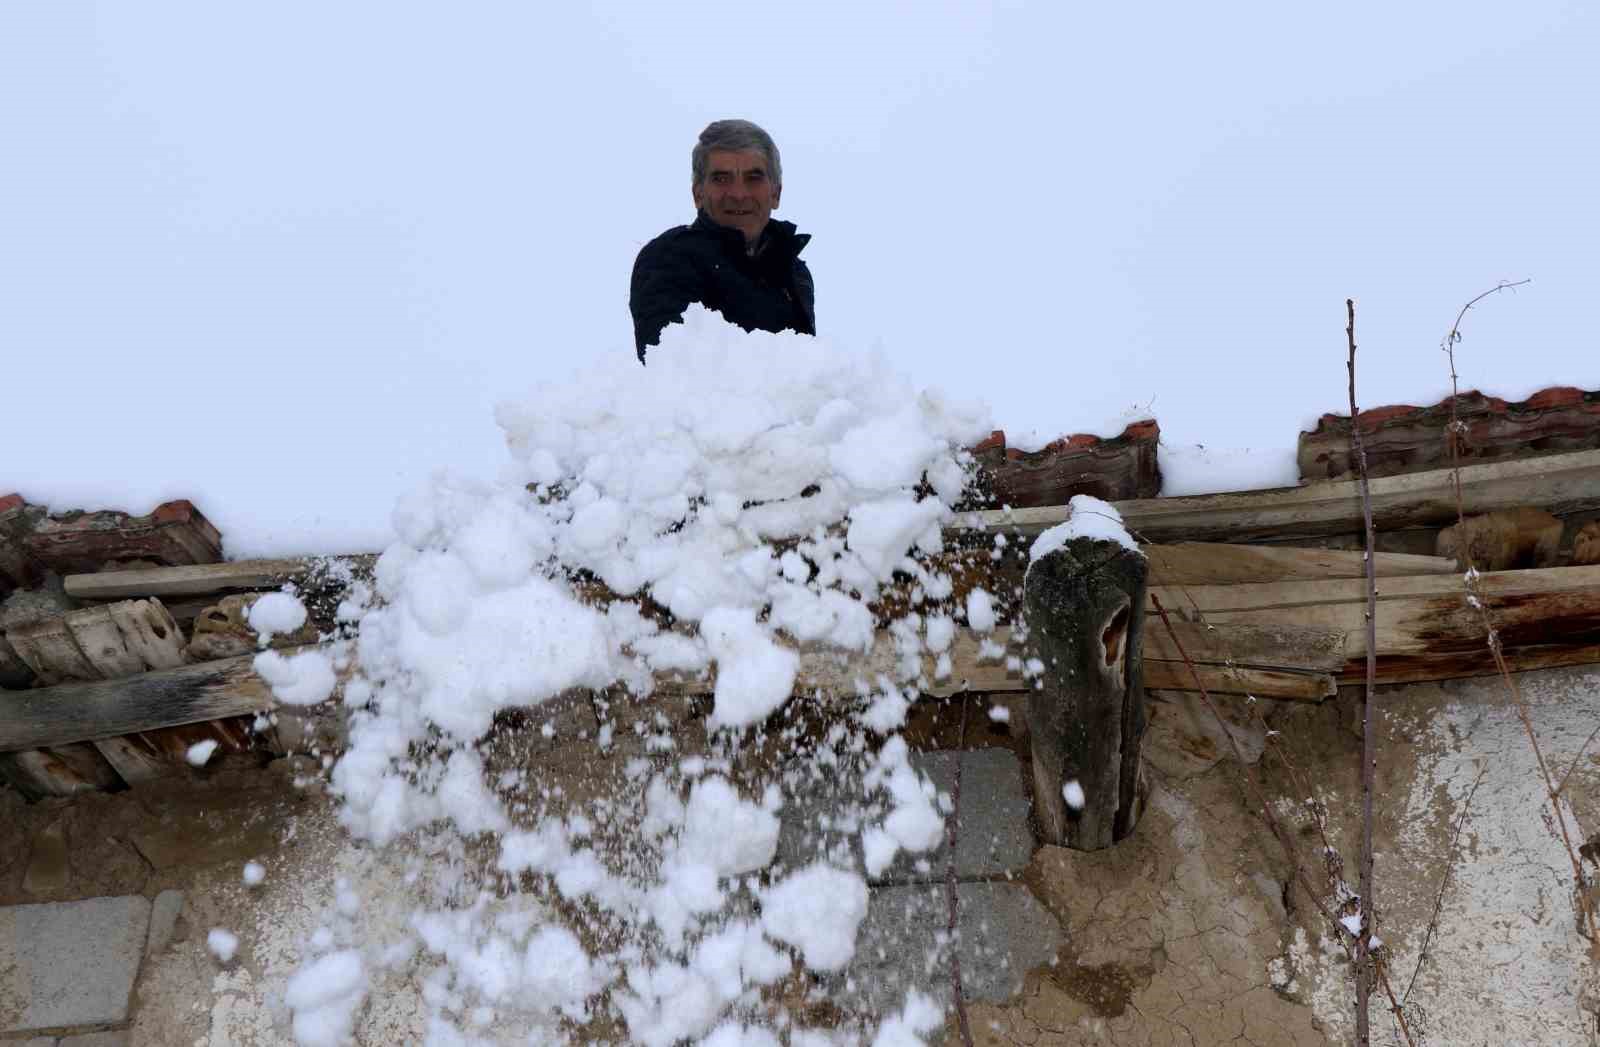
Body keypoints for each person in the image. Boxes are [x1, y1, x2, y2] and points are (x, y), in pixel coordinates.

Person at [629, 119, 816, 363]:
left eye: (753, 177)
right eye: (721, 178)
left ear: (776, 193)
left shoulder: (793, 272)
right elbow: (671, 371)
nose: (738, 194)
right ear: (698, 194)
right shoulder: (669, 259)